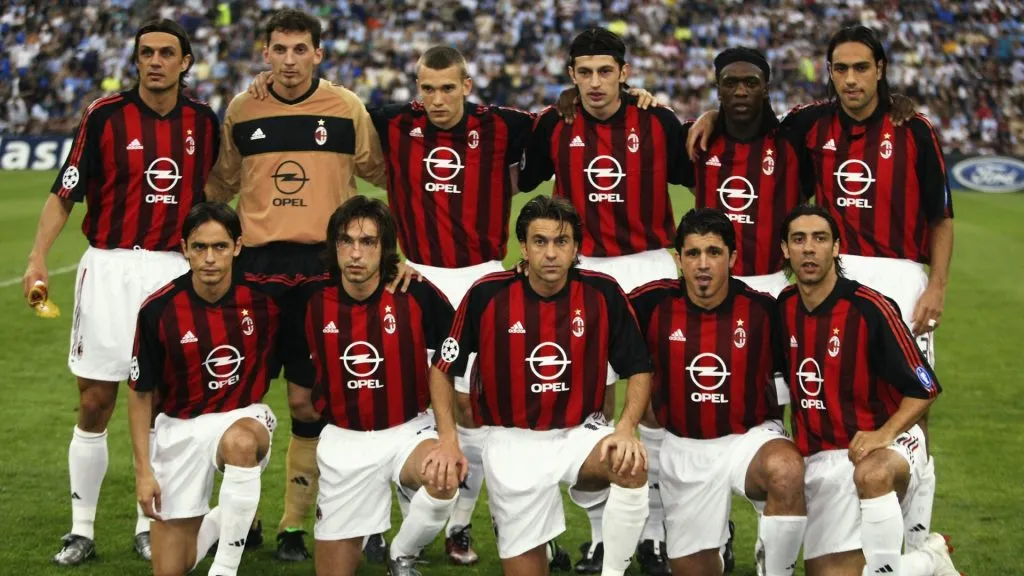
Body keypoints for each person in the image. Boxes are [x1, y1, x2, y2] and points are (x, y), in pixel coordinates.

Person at [688, 26, 953, 551]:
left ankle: (916, 539)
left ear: (880, 70)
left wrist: (937, 286)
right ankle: (796, 512)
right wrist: (712, 115)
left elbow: (940, 217)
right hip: (832, 272)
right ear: (829, 72)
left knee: (912, 406)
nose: (851, 79)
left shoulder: (914, 128)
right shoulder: (810, 124)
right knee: (807, 392)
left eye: (861, 68)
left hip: (901, 274)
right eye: (841, 69)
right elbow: (750, 114)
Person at [21, 18, 220, 565]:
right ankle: (81, 530)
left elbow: (220, 191)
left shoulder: (203, 121)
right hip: (108, 267)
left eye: (166, 53)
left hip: (173, 270)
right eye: (146, 52)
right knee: (95, 401)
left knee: (162, 406)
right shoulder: (104, 115)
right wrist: (37, 258)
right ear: (136, 60)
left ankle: (147, 524)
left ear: (185, 62)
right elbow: (65, 192)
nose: (155, 61)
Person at [204, 8, 389, 562]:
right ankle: (246, 517)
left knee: (309, 403)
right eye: (279, 49)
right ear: (265, 53)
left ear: (318, 54)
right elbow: (219, 183)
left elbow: (384, 170)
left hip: (321, 271)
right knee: (240, 398)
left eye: (300, 49)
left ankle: (293, 525)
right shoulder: (243, 108)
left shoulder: (346, 107)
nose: (289, 60)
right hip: (255, 270)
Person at [519, 28, 689, 574]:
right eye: (585, 72)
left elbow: (704, 169)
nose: (595, 83)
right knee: (591, 398)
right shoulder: (555, 123)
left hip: (651, 267)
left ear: (624, 73)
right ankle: (598, 535)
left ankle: (656, 532)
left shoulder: (658, 122)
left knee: (656, 402)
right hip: (585, 269)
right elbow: (518, 176)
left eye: (605, 72)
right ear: (571, 75)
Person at [432, 195, 653, 576]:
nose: (550, 253)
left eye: (561, 241)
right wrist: (449, 438)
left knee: (628, 463)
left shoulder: (602, 293)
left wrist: (626, 427)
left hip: (579, 434)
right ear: (524, 247)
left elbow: (639, 367)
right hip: (512, 443)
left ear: (575, 248)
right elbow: (442, 368)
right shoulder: (487, 294)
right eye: (540, 241)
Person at [286, 196, 466, 576]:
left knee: (443, 474)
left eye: (368, 242)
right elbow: (299, 394)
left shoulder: (416, 293)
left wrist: (448, 438)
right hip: (344, 442)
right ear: (334, 246)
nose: (356, 253)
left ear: (385, 249)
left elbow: (448, 361)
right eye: (346, 241)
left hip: (407, 431)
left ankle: (400, 554)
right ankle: (368, 528)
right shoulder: (309, 300)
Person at [776, 204, 958, 576]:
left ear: (836, 248)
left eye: (820, 239)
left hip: (887, 443)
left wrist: (884, 434)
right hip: (824, 456)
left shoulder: (869, 307)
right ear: (785, 250)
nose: (809, 248)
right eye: (799, 239)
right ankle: (929, 561)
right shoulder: (784, 307)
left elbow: (925, 387)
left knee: (871, 475)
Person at [629, 208, 807, 576]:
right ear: (678, 259)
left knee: (786, 469)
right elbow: (588, 305)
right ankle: (715, 541)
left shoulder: (763, 310)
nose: (703, 264)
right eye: (693, 253)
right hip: (685, 448)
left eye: (714, 252)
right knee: (693, 568)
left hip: (750, 438)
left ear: (733, 258)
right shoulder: (651, 304)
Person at [129, 202, 281, 576]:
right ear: (185, 248)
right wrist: (143, 471)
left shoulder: (266, 302)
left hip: (243, 416)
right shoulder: (158, 310)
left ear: (237, 247)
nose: (210, 258)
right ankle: (225, 516)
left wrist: (395, 269)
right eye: (200, 247)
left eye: (220, 246)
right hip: (179, 428)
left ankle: (224, 568)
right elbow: (140, 393)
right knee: (171, 569)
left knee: (240, 444)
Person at [677, 48, 811, 298]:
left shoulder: (792, 143)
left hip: (771, 283)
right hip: (707, 285)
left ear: (765, 89)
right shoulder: (696, 140)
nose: (740, 91)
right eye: (730, 83)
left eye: (750, 83)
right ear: (718, 90)